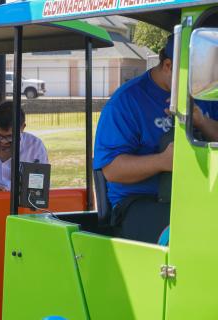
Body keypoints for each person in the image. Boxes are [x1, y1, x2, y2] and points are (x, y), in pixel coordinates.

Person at [93, 36, 218, 243]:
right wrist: (163, 161)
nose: (197, 82)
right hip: (137, 202)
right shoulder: (127, 102)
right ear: (168, 66)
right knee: (189, 238)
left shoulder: (204, 94)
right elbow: (112, 170)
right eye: (192, 74)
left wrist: (202, 121)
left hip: (197, 196)